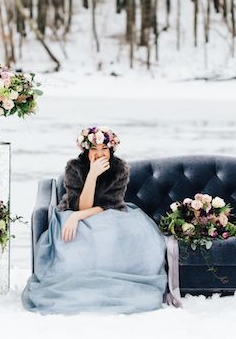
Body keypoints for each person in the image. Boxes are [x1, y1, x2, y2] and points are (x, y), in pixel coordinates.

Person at [22, 126, 167, 314]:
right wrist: (91, 175)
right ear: (85, 150)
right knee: (78, 234)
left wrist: (78, 216)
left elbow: (110, 204)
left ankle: (116, 279)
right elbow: (80, 206)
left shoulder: (119, 169)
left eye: (104, 149)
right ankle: (78, 281)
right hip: (75, 210)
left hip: (108, 211)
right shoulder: (74, 167)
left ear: (111, 150)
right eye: (94, 150)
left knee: (119, 232)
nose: (99, 154)